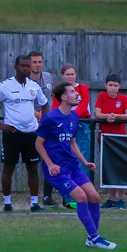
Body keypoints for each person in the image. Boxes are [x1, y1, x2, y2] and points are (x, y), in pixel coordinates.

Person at [36, 82, 117, 249]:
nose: (76, 94)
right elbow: (38, 144)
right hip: (57, 170)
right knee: (81, 197)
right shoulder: (50, 118)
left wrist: (85, 162)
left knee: (94, 197)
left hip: (72, 166)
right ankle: (95, 238)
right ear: (64, 97)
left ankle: (92, 238)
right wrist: (50, 164)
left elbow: (72, 143)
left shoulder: (74, 117)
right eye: (72, 92)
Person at [0, 54, 48, 213]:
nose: (26, 68)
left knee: (32, 168)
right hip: (12, 134)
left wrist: (42, 123)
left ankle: (34, 203)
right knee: (8, 168)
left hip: (31, 133)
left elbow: (45, 104)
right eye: (23, 66)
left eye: (28, 66)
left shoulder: (34, 86)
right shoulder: (5, 86)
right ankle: (7, 203)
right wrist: (0, 125)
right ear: (16, 67)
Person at [43, 63, 89, 210]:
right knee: (59, 161)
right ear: (63, 76)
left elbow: (83, 106)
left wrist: (72, 117)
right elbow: (55, 108)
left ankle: (83, 194)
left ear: (76, 75)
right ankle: (68, 197)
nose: (70, 76)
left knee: (80, 159)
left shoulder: (83, 89)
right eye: (67, 74)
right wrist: (63, 119)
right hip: (62, 126)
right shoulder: (60, 92)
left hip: (80, 125)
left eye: (72, 74)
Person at [28, 51, 62, 207]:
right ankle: (32, 198)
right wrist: (34, 113)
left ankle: (47, 196)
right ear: (29, 64)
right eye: (34, 62)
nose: (37, 65)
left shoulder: (48, 77)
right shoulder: (23, 80)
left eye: (39, 62)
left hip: (46, 123)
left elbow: (51, 98)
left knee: (49, 159)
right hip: (29, 124)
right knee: (31, 162)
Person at [95, 73, 127, 209]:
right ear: (105, 85)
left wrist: (116, 117)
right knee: (109, 168)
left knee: (120, 168)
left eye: (115, 86)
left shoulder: (124, 98)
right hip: (105, 138)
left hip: (120, 138)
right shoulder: (101, 97)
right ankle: (111, 199)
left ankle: (120, 199)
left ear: (119, 87)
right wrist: (107, 117)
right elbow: (97, 114)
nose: (112, 88)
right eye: (110, 85)